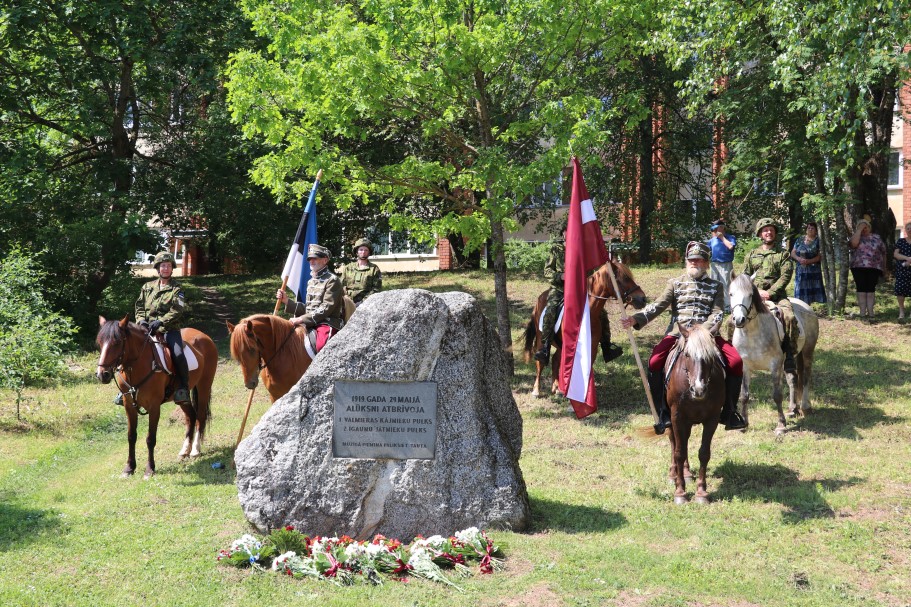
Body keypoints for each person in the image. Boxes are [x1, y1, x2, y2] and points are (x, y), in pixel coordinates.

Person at [621, 242, 747, 433]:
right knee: (654, 362)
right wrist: (635, 319)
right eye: (691, 260)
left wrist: (702, 333)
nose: (694, 263)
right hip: (678, 333)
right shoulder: (675, 283)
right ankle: (662, 412)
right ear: (686, 261)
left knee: (736, 361)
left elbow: (718, 313)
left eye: (699, 260)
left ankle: (730, 411)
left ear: (706, 263)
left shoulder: (716, 286)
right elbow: (658, 305)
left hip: (708, 335)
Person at [534, 223, 622, 365]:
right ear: (563, 233)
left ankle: (607, 346)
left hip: (581, 290)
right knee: (550, 310)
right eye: (567, 231)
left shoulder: (583, 250)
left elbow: (591, 271)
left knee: (602, 313)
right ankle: (545, 347)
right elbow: (547, 271)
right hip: (560, 290)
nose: (569, 234)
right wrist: (560, 276)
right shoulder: (556, 249)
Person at [131, 251, 190, 405]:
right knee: (128, 349)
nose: (166, 268)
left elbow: (178, 309)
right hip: (147, 329)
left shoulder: (177, 288)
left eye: (168, 266)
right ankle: (125, 389)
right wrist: (141, 321)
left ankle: (183, 388)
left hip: (169, 330)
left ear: (172, 268)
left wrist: (161, 321)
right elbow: (139, 306)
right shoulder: (147, 287)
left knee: (178, 354)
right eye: (163, 265)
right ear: (158, 268)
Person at [741, 218, 799, 374]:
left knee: (789, 317)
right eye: (765, 230)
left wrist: (770, 293)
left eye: (771, 230)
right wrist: (756, 291)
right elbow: (745, 278)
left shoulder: (783, 254)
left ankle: (789, 355)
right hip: (754, 296)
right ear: (760, 234)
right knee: (732, 320)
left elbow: (785, 276)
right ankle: (733, 355)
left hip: (777, 296)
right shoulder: (751, 255)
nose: (768, 232)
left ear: (775, 233)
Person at [275, 243, 345, 351]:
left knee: (321, 347)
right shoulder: (311, 281)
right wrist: (287, 301)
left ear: (325, 260)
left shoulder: (332, 280)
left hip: (327, 322)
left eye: (315, 258)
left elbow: (326, 308)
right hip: (310, 322)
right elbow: (309, 309)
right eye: (310, 259)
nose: (311, 261)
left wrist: (300, 319)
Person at [849, 219, 887, 322]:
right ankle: (862, 312)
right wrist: (859, 230)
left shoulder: (876, 237)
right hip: (858, 267)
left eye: (866, 227)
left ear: (870, 227)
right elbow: (853, 244)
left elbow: (884, 252)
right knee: (861, 289)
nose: (864, 229)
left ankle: (871, 312)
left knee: (870, 289)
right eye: (862, 227)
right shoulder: (855, 237)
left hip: (874, 267)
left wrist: (884, 267)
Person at [791, 222, 827, 305]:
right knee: (800, 293)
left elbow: (819, 256)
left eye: (812, 228)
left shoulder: (818, 241)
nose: (810, 230)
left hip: (813, 271)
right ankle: (801, 308)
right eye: (808, 228)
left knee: (812, 292)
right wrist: (798, 259)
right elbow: (793, 253)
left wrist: (808, 261)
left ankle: (811, 308)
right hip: (801, 270)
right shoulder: (800, 239)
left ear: (816, 231)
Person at [340, 238, 383, 305]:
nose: (363, 252)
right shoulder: (348, 268)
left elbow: (376, 289)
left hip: (366, 303)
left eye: (366, 250)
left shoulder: (374, 269)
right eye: (361, 250)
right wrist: (347, 300)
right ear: (356, 252)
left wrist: (363, 302)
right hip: (347, 303)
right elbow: (341, 286)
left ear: (369, 252)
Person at [707, 219, 736, 312]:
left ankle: (728, 306)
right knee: (714, 284)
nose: (714, 231)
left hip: (726, 264)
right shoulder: (712, 240)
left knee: (726, 284)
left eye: (716, 228)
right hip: (714, 264)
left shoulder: (730, 238)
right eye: (713, 229)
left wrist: (722, 238)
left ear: (722, 228)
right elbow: (706, 251)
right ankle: (714, 305)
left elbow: (730, 246)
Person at [893, 222, 911, 321]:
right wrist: (907, 258)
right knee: (900, 290)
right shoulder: (901, 241)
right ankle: (901, 311)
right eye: (908, 228)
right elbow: (896, 254)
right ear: (905, 230)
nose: (910, 230)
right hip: (902, 270)